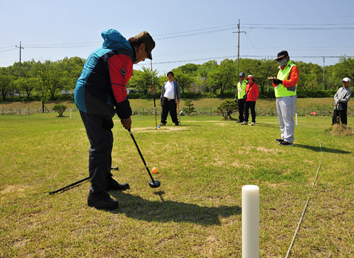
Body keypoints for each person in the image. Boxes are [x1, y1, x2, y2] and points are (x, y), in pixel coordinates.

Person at [74, 29, 155, 210]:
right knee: (101, 143)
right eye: (145, 55)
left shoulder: (115, 50)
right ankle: (96, 193)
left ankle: (105, 180)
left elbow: (115, 86)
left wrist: (122, 113)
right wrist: (125, 116)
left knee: (105, 139)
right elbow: (119, 89)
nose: (142, 60)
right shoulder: (123, 55)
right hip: (92, 97)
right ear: (141, 47)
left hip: (91, 96)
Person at [272, 50, 300, 146]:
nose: (280, 61)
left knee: (287, 118)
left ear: (287, 57)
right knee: (281, 118)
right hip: (279, 95)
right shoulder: (280, 69)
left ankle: (288, 140)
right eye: (278, 60)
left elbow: (293, 81)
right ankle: (284, 136)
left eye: (281, 59)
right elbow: (278, 82)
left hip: (288, 95)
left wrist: (280, 82)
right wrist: (274, 82)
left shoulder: (293, 67)